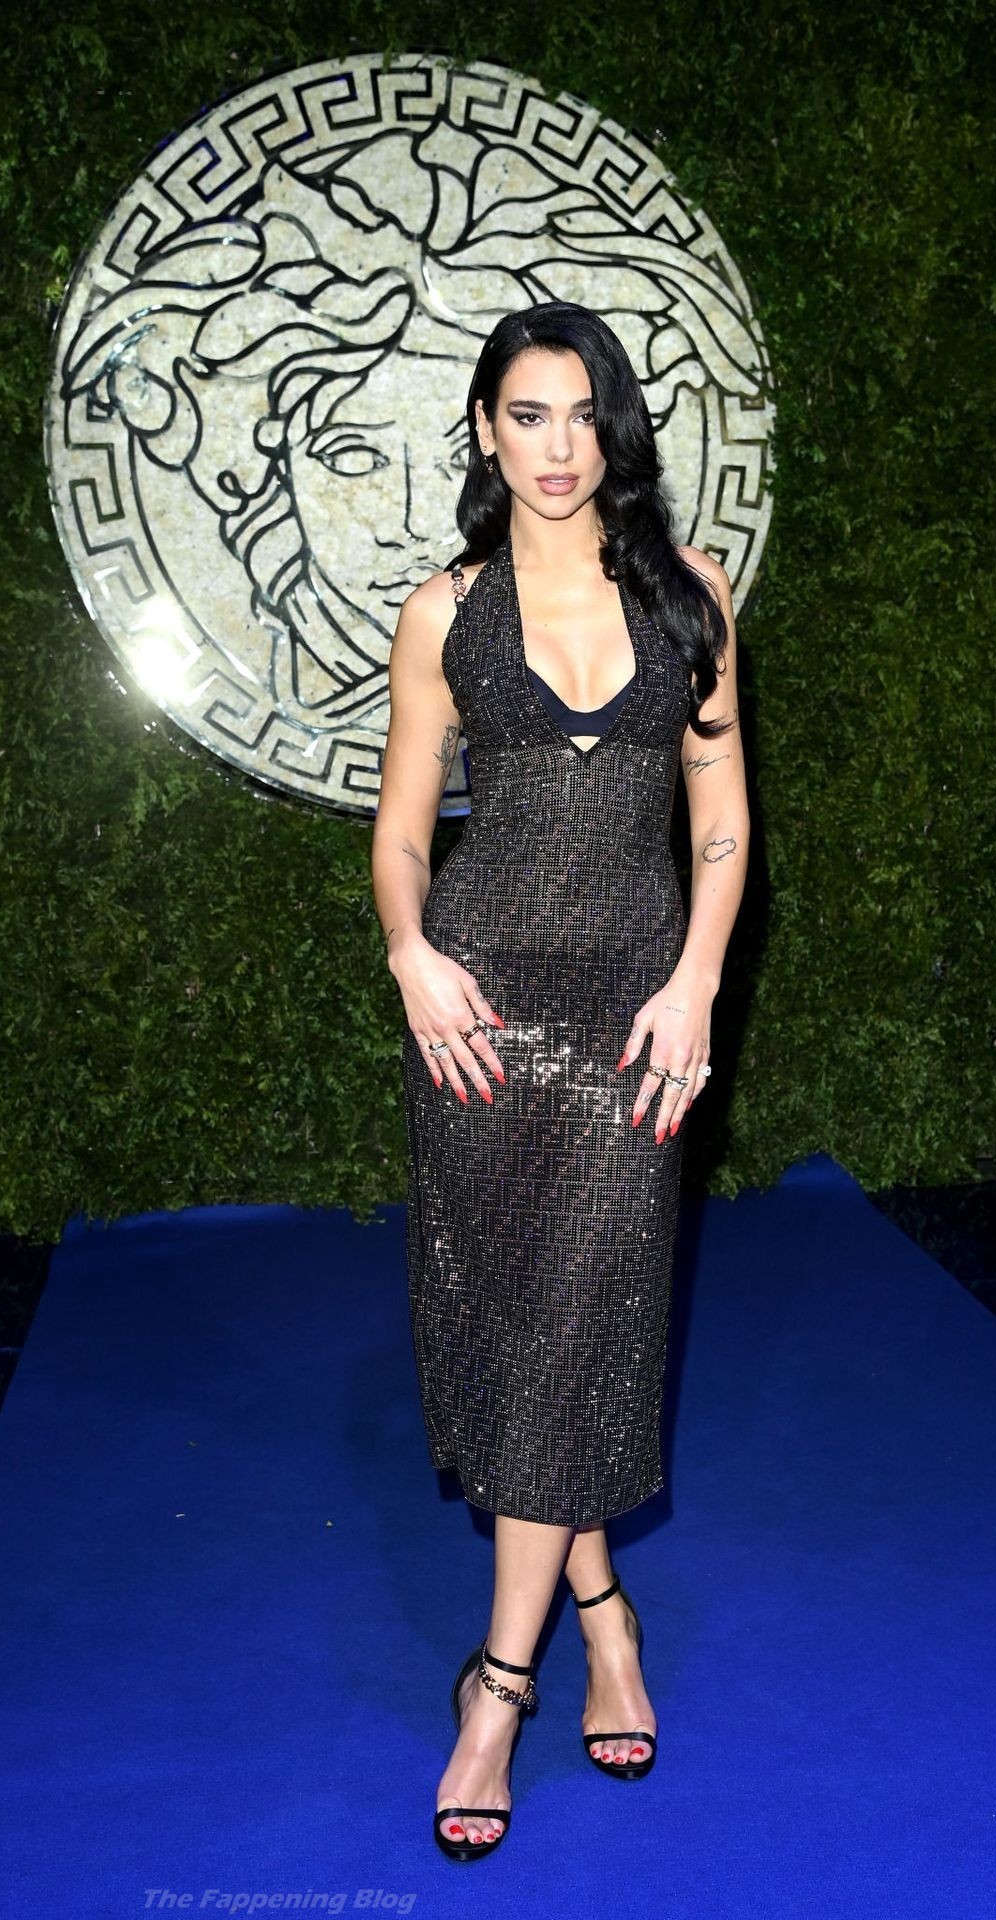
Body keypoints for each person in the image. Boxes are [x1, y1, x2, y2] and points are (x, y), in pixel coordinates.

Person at [370, 300, 749, 1861]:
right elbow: (404, 828)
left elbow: (719, 813)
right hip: (481, 1014)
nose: (557, 446)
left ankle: (498, 1685)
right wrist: (410, 952)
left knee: (586, 1312)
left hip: (636, 1015)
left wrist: (698, 979)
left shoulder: (689, 597)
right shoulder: (443, 613)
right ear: (484, 430)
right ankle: (602, 1609)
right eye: (528, 414)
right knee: (525, 1331)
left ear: (617, 432)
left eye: (585, 414)